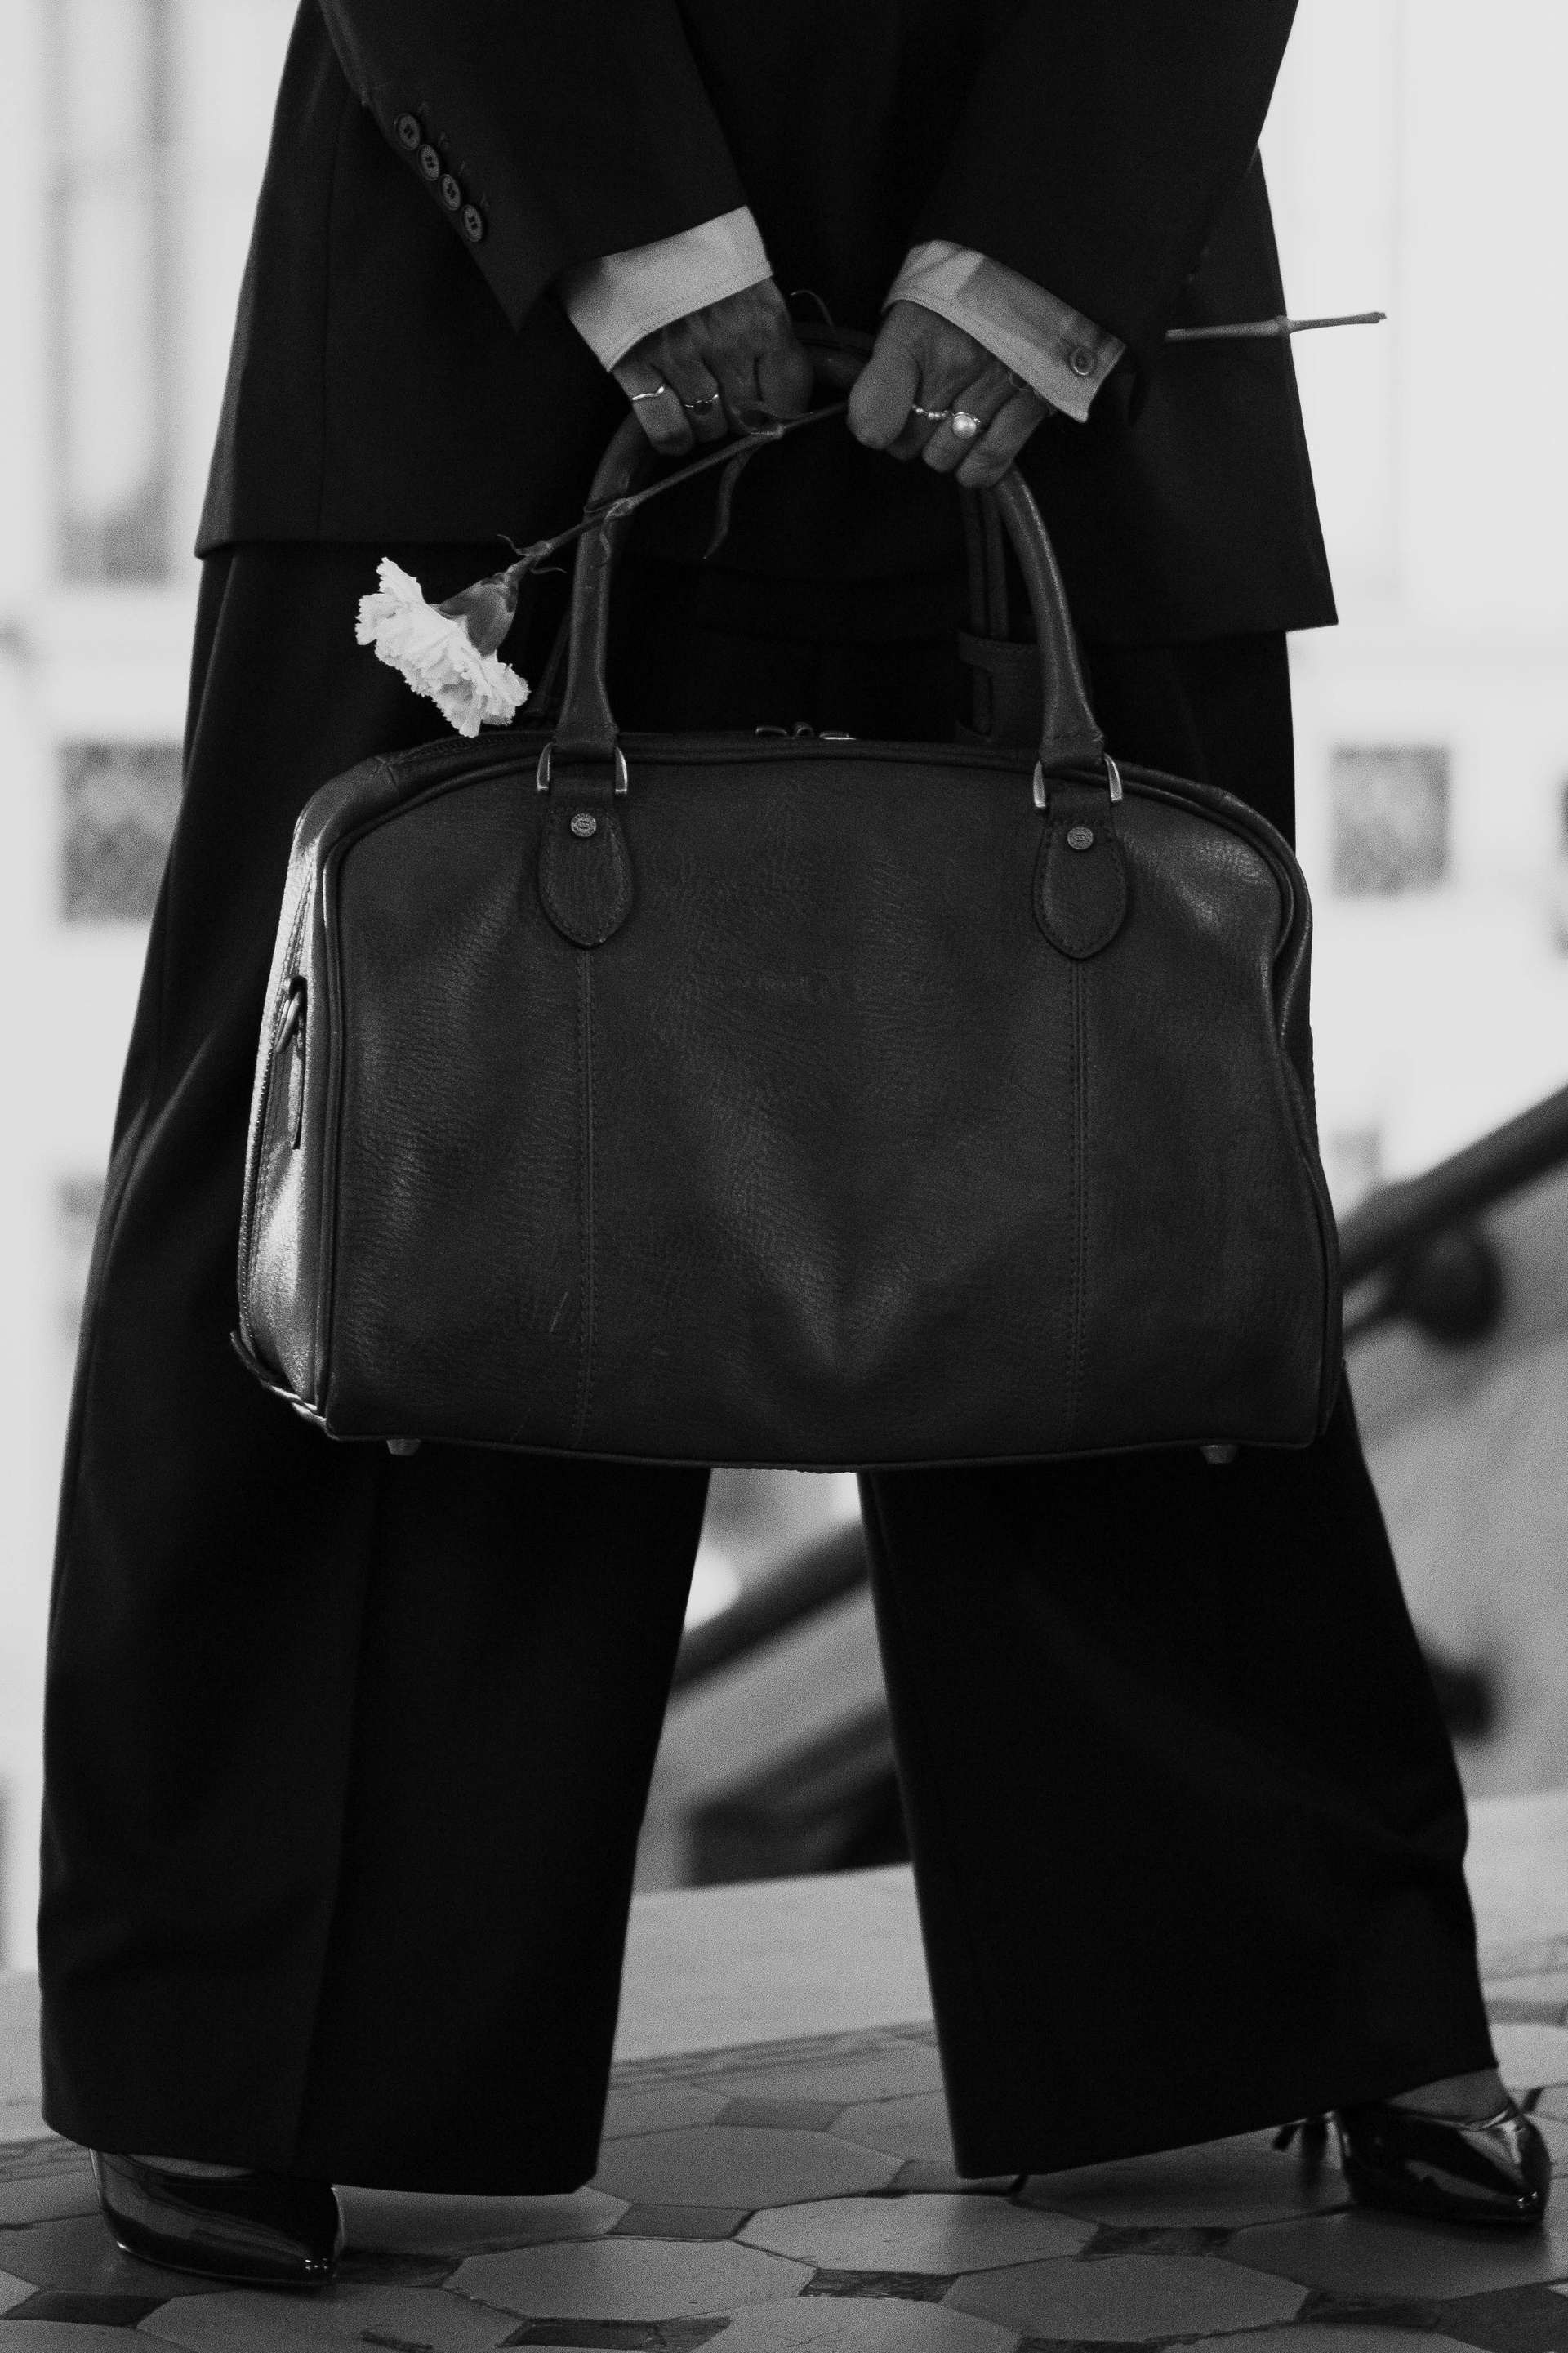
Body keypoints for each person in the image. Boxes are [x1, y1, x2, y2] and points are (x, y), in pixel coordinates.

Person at [41, 0, 1548, 2289]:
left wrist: (1049, 247)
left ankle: (1301, 1979)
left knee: (1142, 1174)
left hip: (1079, 280)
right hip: (481, 295)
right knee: (380, 1164)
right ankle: (253, 2039)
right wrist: (620, 215)